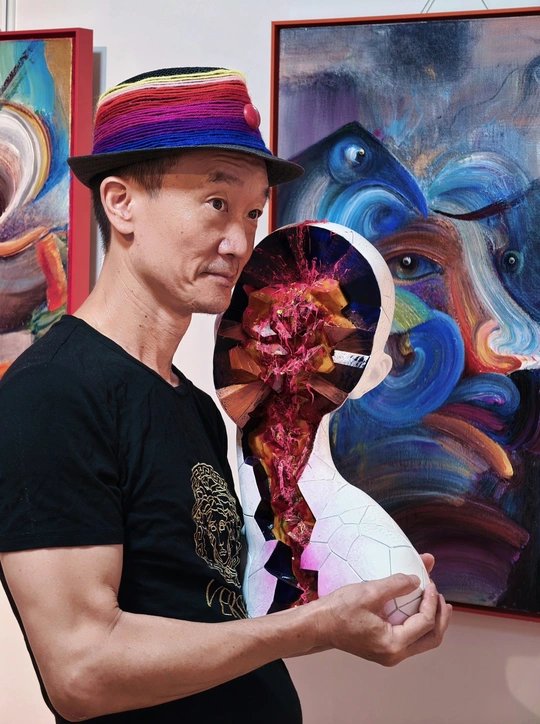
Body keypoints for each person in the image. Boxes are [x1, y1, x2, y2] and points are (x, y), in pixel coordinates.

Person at [0, 67, 451, 724]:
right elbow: (82, 671)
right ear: (121, 203)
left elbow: (208, 617)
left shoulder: (194, 407)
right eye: (216, 203)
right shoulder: (52, 396)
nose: (241, 242)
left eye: (253, 212)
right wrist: (315, 625)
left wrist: (352, 602)